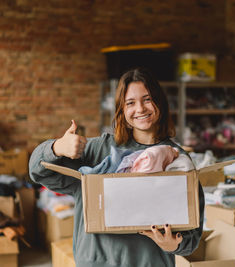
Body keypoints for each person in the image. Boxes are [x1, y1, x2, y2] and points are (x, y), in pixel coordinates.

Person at [29, 67, 205, 267]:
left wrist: (174, 244)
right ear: (122, 110)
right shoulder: (98, 151)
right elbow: (37, 171)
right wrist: (56, 147)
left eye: (147, 99)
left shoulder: (177, 160)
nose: (140, 109)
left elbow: (192, 237)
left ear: (160, 103)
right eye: (130, 103)